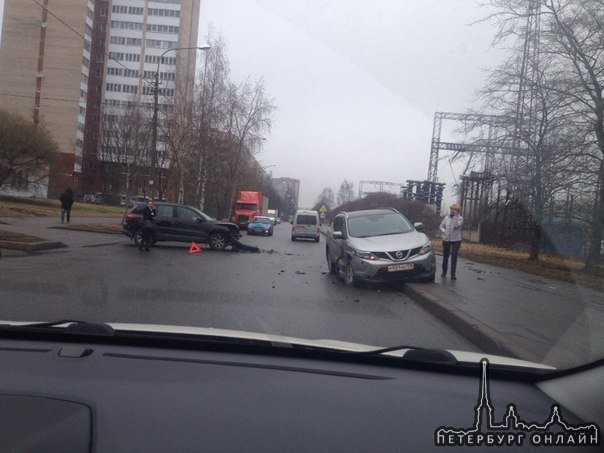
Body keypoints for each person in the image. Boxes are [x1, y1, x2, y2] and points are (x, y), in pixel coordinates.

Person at [439, 204, 463, 280]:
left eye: (454, 210)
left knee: (454, 257)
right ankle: (444, 272)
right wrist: (444, 231)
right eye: (452, 209)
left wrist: (455, 217)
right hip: (446, 239)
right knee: (445, 256)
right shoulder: (446, 218)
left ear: (458, 211)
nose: (452, 211)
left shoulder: (460, 218)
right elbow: (441, 226)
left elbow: (456, 226)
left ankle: (453, 274)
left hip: (456, 240)